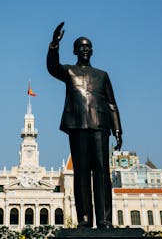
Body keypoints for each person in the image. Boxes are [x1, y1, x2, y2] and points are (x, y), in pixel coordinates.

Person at [47, 21, 122, 229]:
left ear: (92, 50)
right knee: (81, 172)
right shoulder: (69, 71)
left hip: (100, 125)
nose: (85, 49)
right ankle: (85, 219)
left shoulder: (102, 75)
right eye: (81, 46)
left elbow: (112, 103)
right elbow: (52, 67)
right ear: (74, 50)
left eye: (88, 46)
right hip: (78, 125)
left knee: (102, 173)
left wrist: (117, 129)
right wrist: (54, 44)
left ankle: (105, 219)